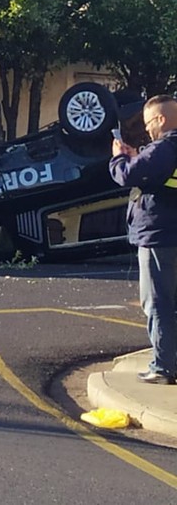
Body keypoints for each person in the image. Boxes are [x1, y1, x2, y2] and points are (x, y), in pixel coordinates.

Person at [109, 94, 177, 385]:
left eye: (149, 123)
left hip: (159, 237)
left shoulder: (165, 147)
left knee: (157, 302)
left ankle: (163, 367)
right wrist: (138, 155)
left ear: (161, 119)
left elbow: (127, 175)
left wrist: (119, 157)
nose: (148, 129)